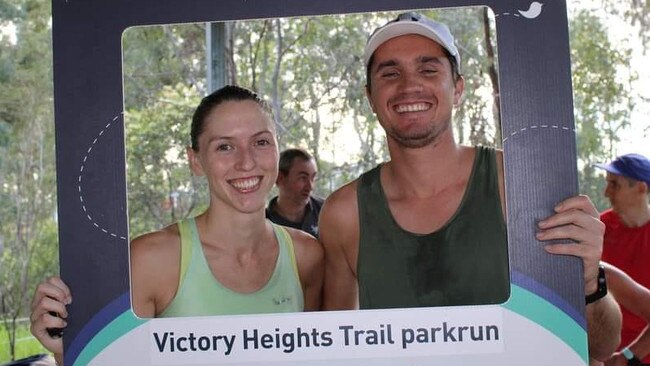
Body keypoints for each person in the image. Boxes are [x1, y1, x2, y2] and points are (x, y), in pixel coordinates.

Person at [318, 11, 620, 361]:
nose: (408, 85)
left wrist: (587, 281)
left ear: (458, 88)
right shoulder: (345, 213)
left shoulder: (522, 182)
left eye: (428, 69)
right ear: (370, 97)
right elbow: (334, 350)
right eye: (390, 73)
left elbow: (600, 346)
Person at [29, 85, 324, 365]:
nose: (246, 162)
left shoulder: (307, 256)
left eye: (260, 142)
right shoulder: (152, 260)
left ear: (276, 150)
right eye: (224, 147)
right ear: (195, 161)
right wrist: (69, 351)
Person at [595, 153, 650, 365]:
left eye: (614, 185)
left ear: (641, 188)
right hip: (602, 355)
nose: (606, 192)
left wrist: (629, 356)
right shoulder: (600, 228)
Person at [265, 148, 324, 238]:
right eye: (303, 178)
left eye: (313, 178)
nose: (310, 187)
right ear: (279, 178)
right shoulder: (263, 222)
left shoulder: (326, 211)